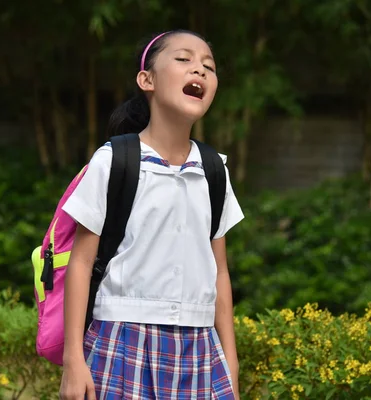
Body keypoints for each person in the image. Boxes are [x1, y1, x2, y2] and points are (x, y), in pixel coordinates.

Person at [59, 29, 244, 400]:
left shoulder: (213, 170)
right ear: (147, 80)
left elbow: (219, 271)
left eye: (209, 66)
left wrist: (231, 365)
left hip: (200, 350)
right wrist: (73, 360)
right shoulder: (114, 161)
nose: (200, 70)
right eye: (184, 59)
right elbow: (80, 264)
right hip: (122, 340)